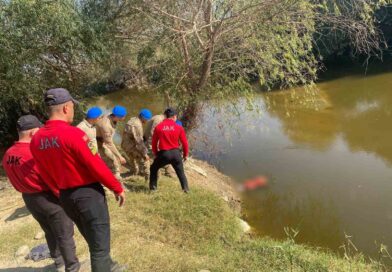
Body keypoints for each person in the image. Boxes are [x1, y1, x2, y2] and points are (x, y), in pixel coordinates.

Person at [30, 88, 125, 272]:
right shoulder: (74, 134)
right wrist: (116, 187)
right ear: (66, 108)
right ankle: (104, 266)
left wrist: (59, 192)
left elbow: (44, 173)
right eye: (72, 106)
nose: (73, 110)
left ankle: (109, 265)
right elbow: (96, 164)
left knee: (93, 238)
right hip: (88, 196)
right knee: (99, 247)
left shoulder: (36, 140)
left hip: (66, 197)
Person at [2, 115, 79, 272]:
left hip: (29, 200)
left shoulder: (8, 154)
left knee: (49, 230)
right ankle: (73, 267)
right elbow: (51, 179)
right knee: (64, 233)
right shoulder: (33, 152)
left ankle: (58, 262)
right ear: (32, 133)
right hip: (47, 198)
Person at [150, 108, 189, 192]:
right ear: (174, 116)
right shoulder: (179, 127)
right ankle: (186, 189)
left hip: (164, 153)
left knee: (153, 168)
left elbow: (154, 143)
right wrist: (185, 155)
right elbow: (185, 143)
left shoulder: (158, 127)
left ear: (165, 116)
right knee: (180, 172)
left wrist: (156, 153)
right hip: (176, 153)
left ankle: (153, 189)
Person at [96, 105, 127, 180]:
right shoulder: (106, 126)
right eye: (123, 116)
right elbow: (109, 144)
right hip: (98, 142)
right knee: (113, 160)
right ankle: (114, 179)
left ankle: (113, 176)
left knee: (112, 159)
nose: (124, 117)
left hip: (104, 139)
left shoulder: (110, 115)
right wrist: (120, 156)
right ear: (117, 116)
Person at [121, 109, 151, 180]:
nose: (147, 121)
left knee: (132, 159)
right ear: (143, 118)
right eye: (147, 119)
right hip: (130, 146)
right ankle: (148, 177)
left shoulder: (133, 119)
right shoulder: (137, 125)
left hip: (125, 144)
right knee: (145, 160)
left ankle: (134, 171)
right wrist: (145, 154)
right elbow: (139, 142)